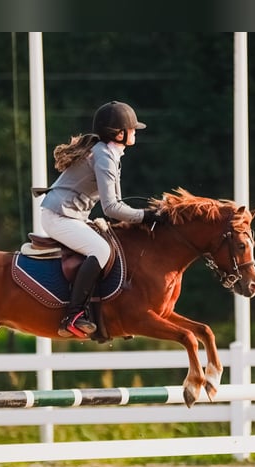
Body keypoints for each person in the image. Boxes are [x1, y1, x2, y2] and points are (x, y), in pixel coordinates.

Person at [40, 101, 165, 338]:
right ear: (119, 133)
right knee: (101, 250)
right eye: (132, 128)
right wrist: (145, 216)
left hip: (71, 214)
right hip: (58, 215)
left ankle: (110, 311)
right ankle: (73, 316)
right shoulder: (105, 156)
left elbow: (114, 203)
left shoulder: (108, 152)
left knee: (112, 245)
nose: (135, 131)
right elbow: (112, 208)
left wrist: (143, 215)